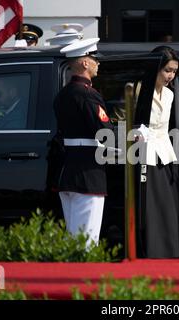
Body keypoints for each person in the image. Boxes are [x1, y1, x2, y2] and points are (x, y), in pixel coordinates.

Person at [53, 38, 113, 245]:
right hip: (88, 173)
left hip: (68, 171)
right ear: (85, 63)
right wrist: (135, 135)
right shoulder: (87, 95)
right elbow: (104, 133)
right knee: (86, 240)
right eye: (94, 58)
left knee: (74, 237)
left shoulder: (63, 94)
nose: (98, 63)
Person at [136, 46, 179, 258]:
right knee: (151, 210)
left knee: (167, 208)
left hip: (165, 154)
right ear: (155, 68)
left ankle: (169, 254)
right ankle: (153, 255)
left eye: (174, 71)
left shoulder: (170, 94)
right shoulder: (137, 90)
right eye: (167, 70)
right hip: (143, 153)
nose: (171, 76)